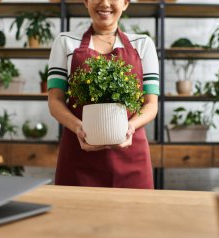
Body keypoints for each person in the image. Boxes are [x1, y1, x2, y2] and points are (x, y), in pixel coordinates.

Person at [48, 0, 159, 189]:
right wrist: (78, 128)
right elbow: (55, 100)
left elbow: (151, 104)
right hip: (79, 157)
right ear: (86, 2)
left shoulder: (143, 45)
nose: (105, 3)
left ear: (125, 3)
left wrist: (130, 127)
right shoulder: (65, 42)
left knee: (135, 217)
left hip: (132, 157)